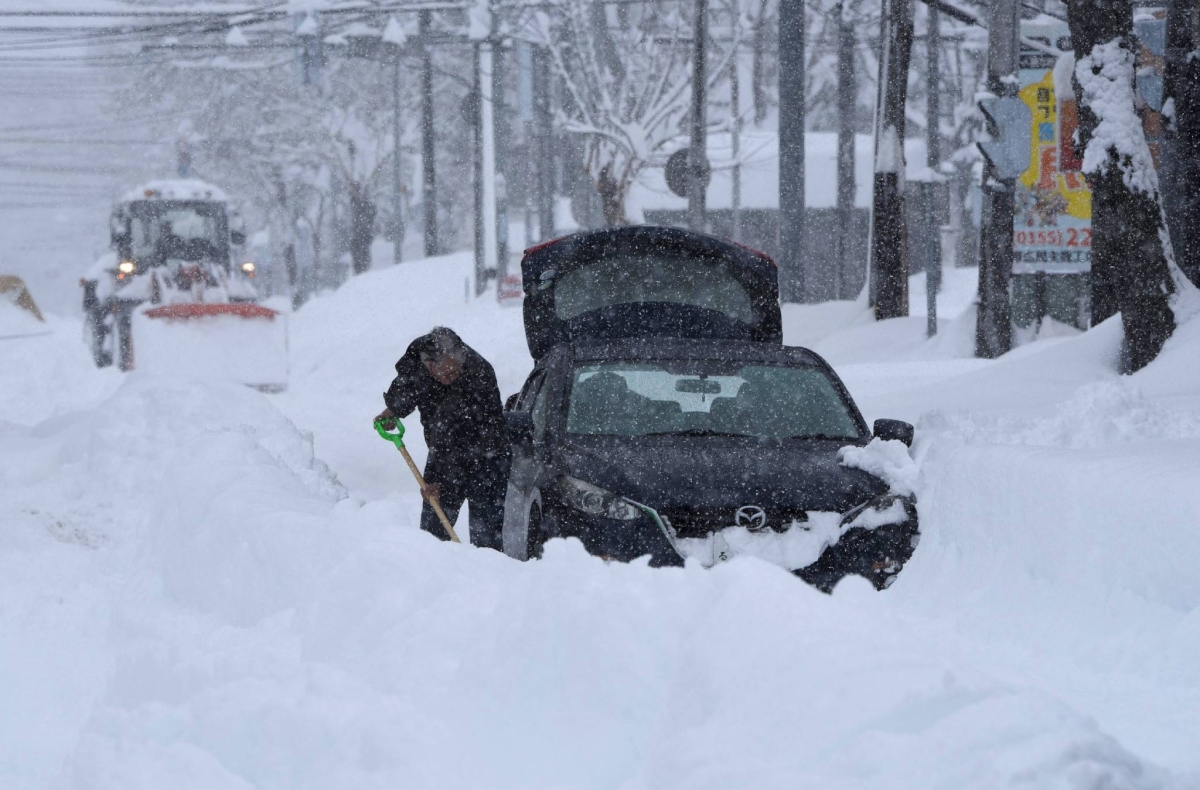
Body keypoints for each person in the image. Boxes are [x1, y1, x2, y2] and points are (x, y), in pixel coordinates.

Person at [376, 327, 510, 549]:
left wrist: (440, 478)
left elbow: (469, 432)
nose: (450, 378)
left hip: (488, 456)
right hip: (444, 451)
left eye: (455, 373)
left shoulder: (479, 372)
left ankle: (486, 577)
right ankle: (431, 574)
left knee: (487, 537)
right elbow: (407, 385)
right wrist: (393, 410)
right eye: (446, 374)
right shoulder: (416, 359)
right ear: (430, 364)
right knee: (432, 535)